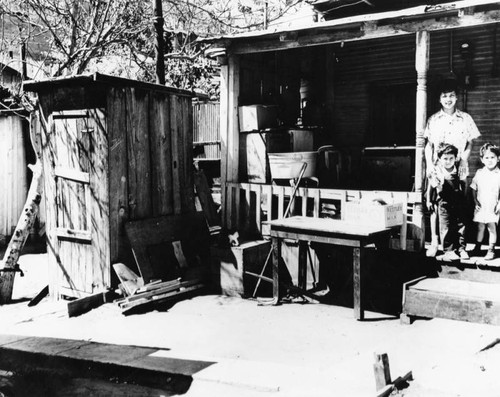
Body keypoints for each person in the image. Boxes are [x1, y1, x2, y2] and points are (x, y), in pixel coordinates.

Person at [424, 80, 480, 257]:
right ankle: (435, 242)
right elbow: (428, 145)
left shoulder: (465, 118)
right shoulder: (433, 119)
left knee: (459, 206)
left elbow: (471, 143)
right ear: (440, 99)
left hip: (458, 168)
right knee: (436, 204)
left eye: (451, 96)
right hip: (438, 169)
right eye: (444, 96)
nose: (448, 99)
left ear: (456, 98)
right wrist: (430, 165)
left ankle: (459, 246)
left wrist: (463, 159)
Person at [426, 144, 467, 261]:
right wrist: (429, 200)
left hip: (458, 201)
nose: (448, 161)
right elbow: (431, 187)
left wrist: (464, 198)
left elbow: (464, 184)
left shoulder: (460, 168)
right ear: (439, 159)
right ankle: (448, 250)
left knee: (461, 225)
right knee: (445, 227)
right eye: (445, 159)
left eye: (451, 158)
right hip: (443, 202)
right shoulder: (436, 171)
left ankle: (461, 249)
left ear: (455, 158)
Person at [469, 143, 500, 260]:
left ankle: (491, 250)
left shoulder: (499, 174)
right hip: (481, 206)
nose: (490, 160)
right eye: (486, 158)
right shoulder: (480, 173)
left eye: (492, 157)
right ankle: (478, 247)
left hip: (493, 206)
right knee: (480, 226)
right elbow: (473, 188)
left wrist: (499, 205)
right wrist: (476, 202)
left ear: (498, 158)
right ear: (482, 160)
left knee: (491, 227)